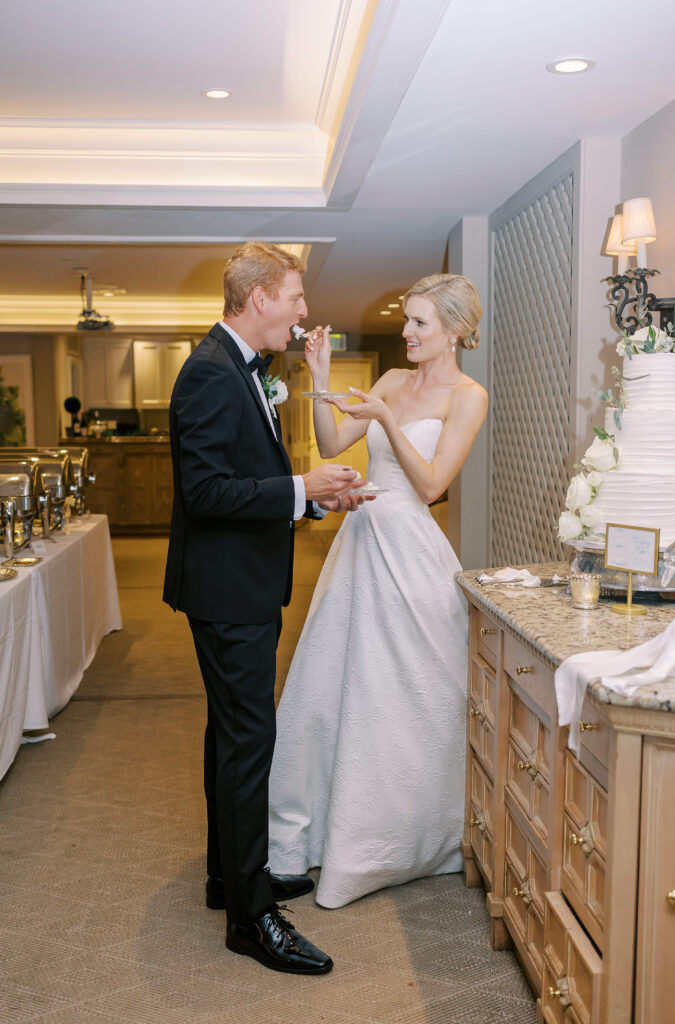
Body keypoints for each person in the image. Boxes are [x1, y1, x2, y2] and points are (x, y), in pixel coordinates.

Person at [163, 241, 366, 974]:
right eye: (296, 297)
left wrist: (309, 499)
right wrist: (302, 488)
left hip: (237, 583)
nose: (304, 311)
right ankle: (252, 918)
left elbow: (255, 480)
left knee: (233, 737)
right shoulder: (212, 374)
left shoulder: (245, 369)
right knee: (249, 743)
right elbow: (207, 494)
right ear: (258, 300)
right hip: (227, 592)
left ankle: (231, 878)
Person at [268, 273, 488, 908]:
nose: (407, 332)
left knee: (413, 694)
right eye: (408, 320)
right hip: (362, 543)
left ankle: (411, 836)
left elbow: (429, 485)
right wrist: (320, 375)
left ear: (455, 329)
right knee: (336, 688)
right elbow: (333, 443)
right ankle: (317, 831)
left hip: (412, 554)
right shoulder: (392, 379)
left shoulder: (469, 395)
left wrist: (389, 419)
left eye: (420, 322)